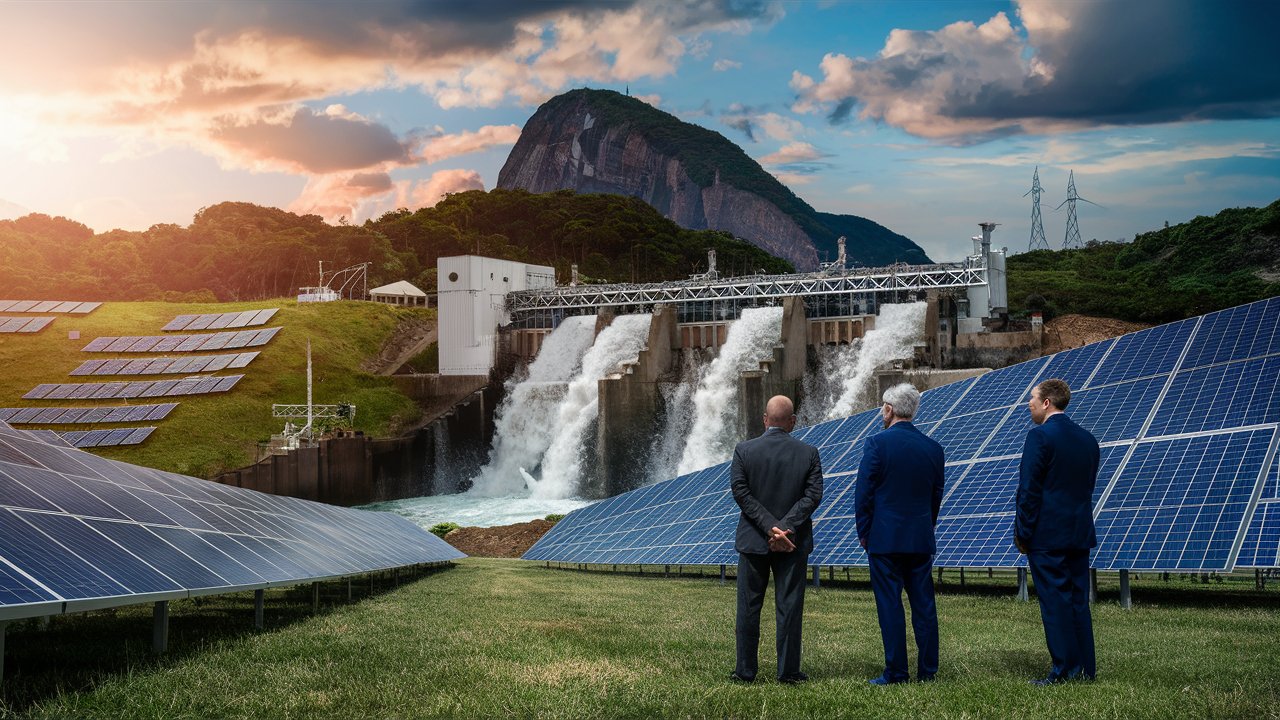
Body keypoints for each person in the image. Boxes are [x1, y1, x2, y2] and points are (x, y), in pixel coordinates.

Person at [730, 395, 824, 684]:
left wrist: (770, 527)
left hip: (753, 540)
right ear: (793, 422)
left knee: (748, 608)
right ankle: (788, 672)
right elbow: (813, 495)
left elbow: (740, 492)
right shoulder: (809, 452)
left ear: (765, 419)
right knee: (790, 606)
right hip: (792, 543)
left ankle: (745, 671)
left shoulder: (744, 450)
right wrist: (785, 528)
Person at [855, 383, 945, 685]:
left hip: (885, 539)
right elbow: (936, 496)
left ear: (889, 409)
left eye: (883, 406)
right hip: (920, 538)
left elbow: (863, 495)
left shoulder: (876, 444)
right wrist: (926, 526)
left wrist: (865, 533)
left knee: (890, 605)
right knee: (924, 606)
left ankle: (896, 672)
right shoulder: (934, 449)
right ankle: (928, 672)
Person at [1016, 378, 1100, 685]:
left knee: (1055, 601)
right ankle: (1085, 669)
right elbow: (1086, 488)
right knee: (1077, 599)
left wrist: (1024, 534)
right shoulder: (1088, 440)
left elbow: (1029, 491)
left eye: (1033, 398)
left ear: (1047, 402)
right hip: (1078, 532)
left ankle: (1064, 670)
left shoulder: (1039, 437)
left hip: (1047, 534)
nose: (1030, 403)